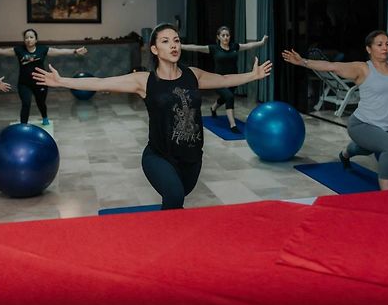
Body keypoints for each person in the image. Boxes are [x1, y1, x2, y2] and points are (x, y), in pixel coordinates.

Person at [32, 23, 272, 209]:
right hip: (159, 156)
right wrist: (61, 81)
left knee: (175, 202)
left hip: (192, 157)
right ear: (155, 49)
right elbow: (101, 81)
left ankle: (160, 239)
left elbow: (224, 80)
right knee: (175, 197)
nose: (174, 45)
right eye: (166, 41)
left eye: (176, 40)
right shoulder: (144, 80)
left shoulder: (193, 75)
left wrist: (252, 76)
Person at [282, 29, 388, 190]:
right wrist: (303, 62)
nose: (385, 48)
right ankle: (387, 197)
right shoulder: (362, 69)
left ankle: (345, 154)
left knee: (364, 148)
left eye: (387, 44)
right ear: (369, 49)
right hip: (363, 125)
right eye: (380, 44)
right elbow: (332, 66)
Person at [0, 28, 87, 125]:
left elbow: (59, 51)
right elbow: (3, 51)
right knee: (26, 103)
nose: (29, 39)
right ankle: (23, 126)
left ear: (36, 39)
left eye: (31, 37)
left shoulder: (42, 49)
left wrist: (74, 51)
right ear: (24, 40)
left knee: (41, 103)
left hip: (41, 82)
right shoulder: (19, 50)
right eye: (26, 38)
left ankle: (44, 117)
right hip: (24, 83)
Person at [181, 26, 268, 133]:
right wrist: (180, 46)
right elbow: (196, 48)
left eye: (227, 35)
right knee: (229, 96)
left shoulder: (234, 47)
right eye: (223, 35)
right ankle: (233, 125)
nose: (226, 37)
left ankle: (213, 108)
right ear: (218, 37)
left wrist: (261, 42)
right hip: (217, 81)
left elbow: (249, 45)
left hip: (233, 80)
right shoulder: (214, 49)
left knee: (225, 97)